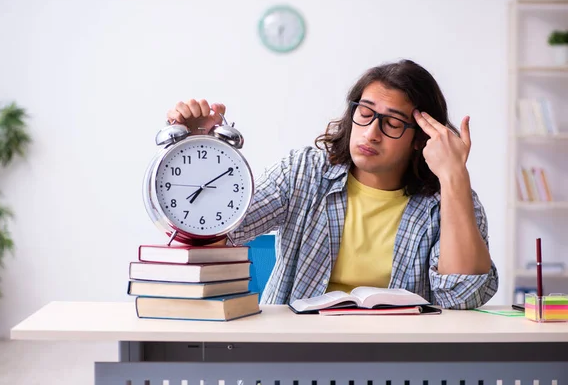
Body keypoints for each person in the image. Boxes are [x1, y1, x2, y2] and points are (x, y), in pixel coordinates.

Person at [166, 59, 498, 309]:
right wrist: (200, 148)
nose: (371, 133)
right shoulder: (304, 172)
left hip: (399, 359)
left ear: (419, 139)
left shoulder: (446, 200)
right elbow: (210, 240)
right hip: (295, 355)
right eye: (365, 113)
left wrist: (454, 178)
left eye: (393, 123)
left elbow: (459, 298)